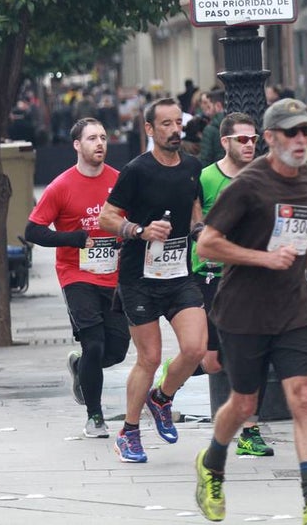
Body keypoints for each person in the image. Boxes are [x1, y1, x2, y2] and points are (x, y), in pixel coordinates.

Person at [192, 98, 307, 524]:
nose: (301, 140)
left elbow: (304, 234)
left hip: (295, 308)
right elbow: (207, 244)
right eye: (291, 132)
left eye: (306, 132)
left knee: (304, 397)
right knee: (244, 405)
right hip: (243, 311)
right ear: (269, 138)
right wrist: (263, 258)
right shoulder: (247, 185)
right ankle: (212, 463)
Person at [99, 98, 206, 464]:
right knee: (149, 357)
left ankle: (161, 398)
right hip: (139, 279)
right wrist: (139, 230)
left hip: (179, 274)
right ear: (149, 129)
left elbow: (194, 206)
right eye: (166, 124)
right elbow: (106, 217)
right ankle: (128, 432)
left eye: (178, 123)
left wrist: (200, 231)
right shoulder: (136, 170)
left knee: (195, 348)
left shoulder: (192, 166)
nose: (175, 130)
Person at [25, 117, 128, 438]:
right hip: (76, 275)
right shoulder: (61, 186)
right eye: (92, 138)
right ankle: (95, 417)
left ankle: (79, 366)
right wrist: (74, 238)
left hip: (114, 277)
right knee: (94, 344)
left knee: (117, 350)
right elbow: (33, 231)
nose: (100, 143)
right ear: (77, 145)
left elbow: (134, 222)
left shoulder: (119, 181)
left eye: (103, 137)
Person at [189, 112, 273, 456]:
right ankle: (179, 367)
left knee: (252, 355)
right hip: (210, 274)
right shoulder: (205, 177)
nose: (250, 144)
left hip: (251, 278)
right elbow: (194, 220)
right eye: (242, 139)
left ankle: (250, 431)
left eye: (254, 139)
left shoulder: (263, 177)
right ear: (225, 142)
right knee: (212, 361)